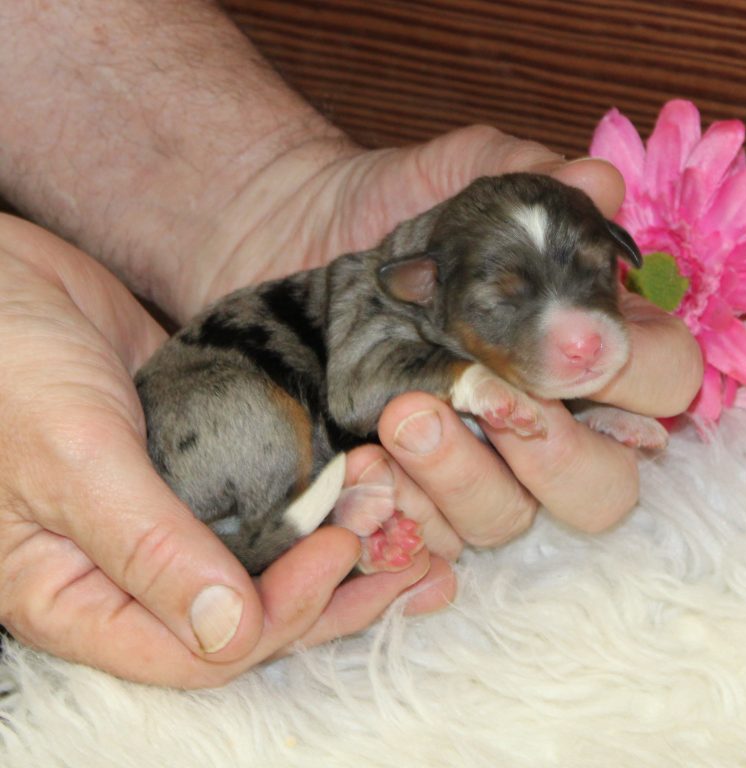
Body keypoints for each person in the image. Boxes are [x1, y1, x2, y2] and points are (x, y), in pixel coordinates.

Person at [0, 0, 702, 689]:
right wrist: (463, 384)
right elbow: (355, 393)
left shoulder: (444, 297)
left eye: (591, 272)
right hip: (219, 401)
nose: (578, 334)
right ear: (422, 288)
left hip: (270, 440)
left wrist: (277, 191)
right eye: (503, 302)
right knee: (337, 421)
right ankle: (277, 523)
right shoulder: (391, 314)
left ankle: (295, 521)